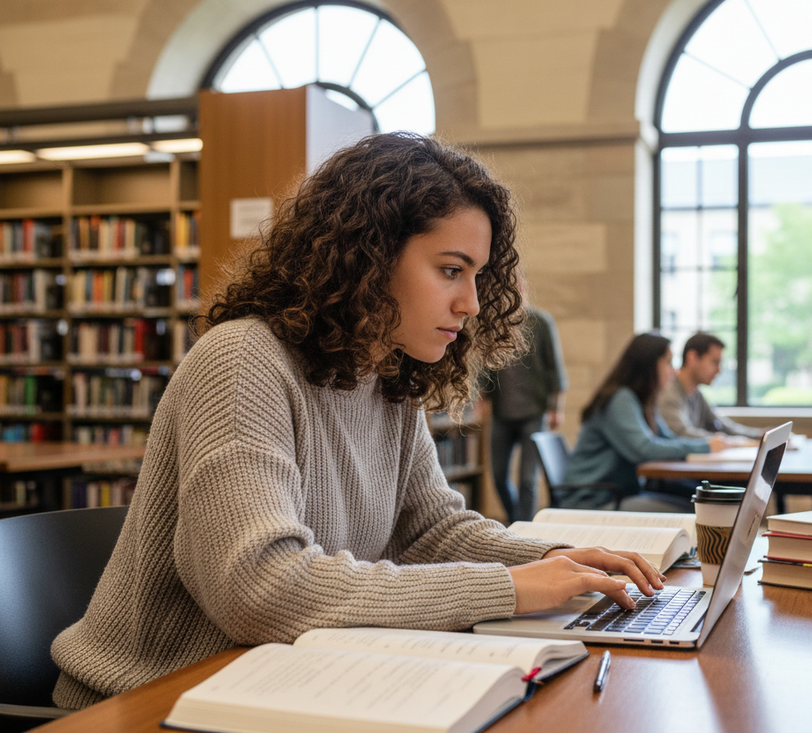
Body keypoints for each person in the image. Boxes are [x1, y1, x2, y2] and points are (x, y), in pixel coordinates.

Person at [49, 133, 663, 709]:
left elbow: (430, 533)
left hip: (277, 682)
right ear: (367, 258)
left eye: (477, 276)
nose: (472, 303)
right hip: (151, 700)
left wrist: (560, 560)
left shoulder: (384, 375)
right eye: (451, 270)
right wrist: (515, 587)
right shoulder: (242, 362)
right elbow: (261, 591)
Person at [565, 333, 734, 498]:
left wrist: (705, 444)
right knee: (692, 506)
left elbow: (668, 439)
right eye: (668, 362)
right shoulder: (621, 399)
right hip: (595, 498)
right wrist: (705, 447)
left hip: (620, 494)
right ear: (649, 365)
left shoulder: (643, 400)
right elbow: (644, 449)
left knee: (695, 498)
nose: (673, 371)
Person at [481, 304, 568, 523]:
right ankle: (515, 522)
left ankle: (523, 528)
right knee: (498, 476)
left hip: (534, 412)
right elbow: (485, 366)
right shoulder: (493, 323)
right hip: (501, 413)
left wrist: (557, 408)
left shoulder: (541, 322)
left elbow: (555, 368)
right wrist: (481, 399)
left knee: (528, 480)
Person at [658, 332, 763, 441]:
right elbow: (681, 433)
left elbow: (724, 426)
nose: (719, 371)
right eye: (714, 362)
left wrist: (759, 434)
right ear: (692, 357)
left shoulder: (696, 394)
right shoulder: (669, 393)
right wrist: (727, 442)